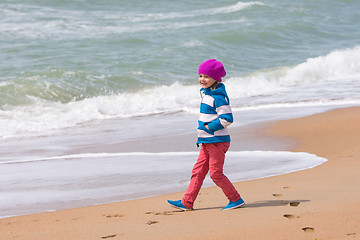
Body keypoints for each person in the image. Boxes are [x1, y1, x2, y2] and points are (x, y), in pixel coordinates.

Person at [167, 59, 245, 211]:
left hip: (217, 141)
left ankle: (235, 199)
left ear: (215, 78)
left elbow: (227, 118)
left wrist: (209, 127)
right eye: (200, 75)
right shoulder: (206, 94)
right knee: (198, 172)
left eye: (206, 77)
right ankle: (187, 202)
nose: (202, 79)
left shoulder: (218, 97)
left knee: (216, 174)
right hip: (206, 142)